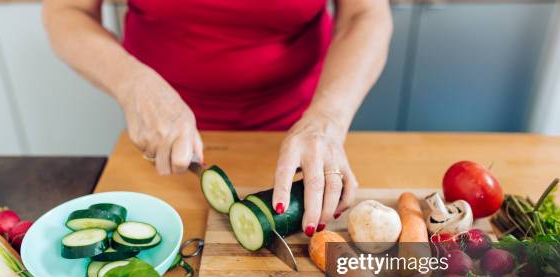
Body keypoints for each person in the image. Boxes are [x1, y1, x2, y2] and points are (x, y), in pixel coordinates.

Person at [43, 0, 393, 236]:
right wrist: (132, 84)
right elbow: (67, 12)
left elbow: (366, 14)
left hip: (303, 126)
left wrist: (327, 119)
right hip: (160, 131)